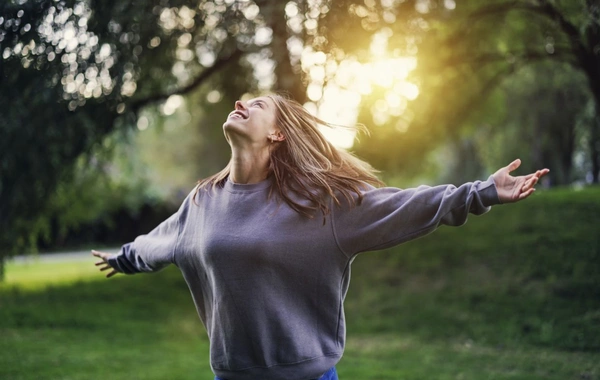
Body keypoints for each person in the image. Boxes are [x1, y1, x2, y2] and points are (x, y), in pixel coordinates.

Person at [92, 94, 549, 380]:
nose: (241, 103)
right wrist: (126, 257)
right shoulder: (203, 201)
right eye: (242, 100)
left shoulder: (319, 204)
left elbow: (404, 205)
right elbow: (162, 239)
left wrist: (482, 192)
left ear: (277, 133)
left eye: (258, 104)